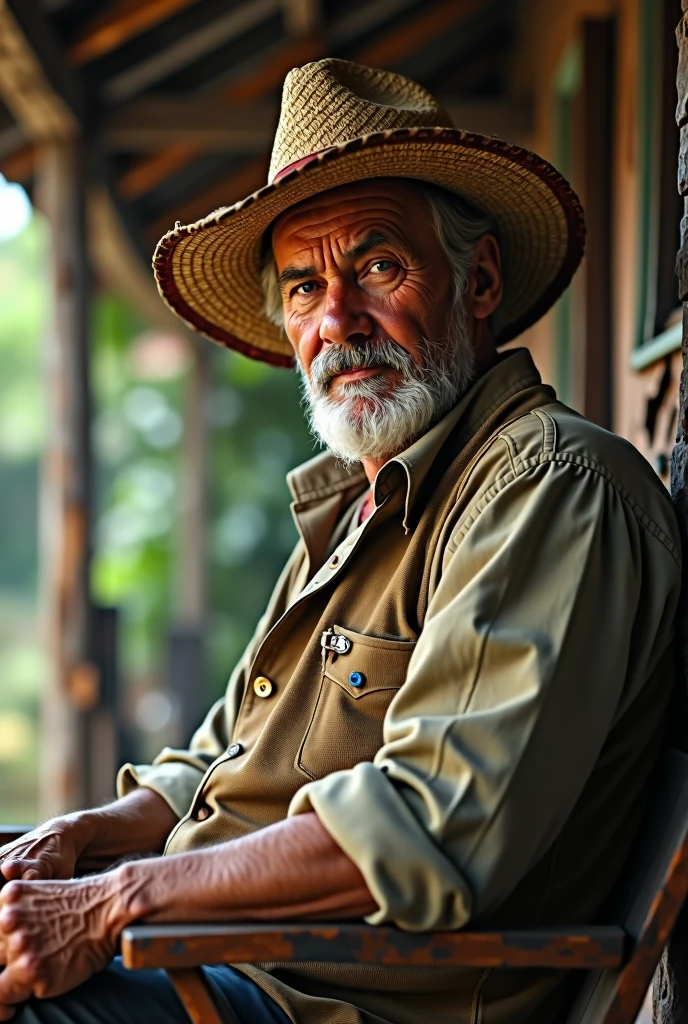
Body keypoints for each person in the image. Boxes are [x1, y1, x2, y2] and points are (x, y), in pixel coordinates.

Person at [0, 59, 681, 1024]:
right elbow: (225, 758)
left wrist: (112, 902)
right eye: (305, 287)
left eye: (376, 267)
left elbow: (425, 826)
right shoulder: (361, 506)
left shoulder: (549, 490)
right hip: (223, 963)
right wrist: (81, 837)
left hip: (314, 1000)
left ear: (477, 279)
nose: (338, 322)